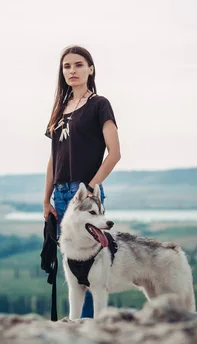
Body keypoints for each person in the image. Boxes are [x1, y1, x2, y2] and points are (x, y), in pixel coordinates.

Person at [43, 45, 121, 318]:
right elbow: (54, 159)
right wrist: (46, 200)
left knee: (90, 260)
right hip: (61, 194)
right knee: (72, 262)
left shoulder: (99, 105)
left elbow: (115, 153)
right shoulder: (59, 110)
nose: (72, 70)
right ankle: (78, 324)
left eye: (78, 64)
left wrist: (90, 188)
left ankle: (90, 325)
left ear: (90, 69)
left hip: (85, 196)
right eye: (67, 66)